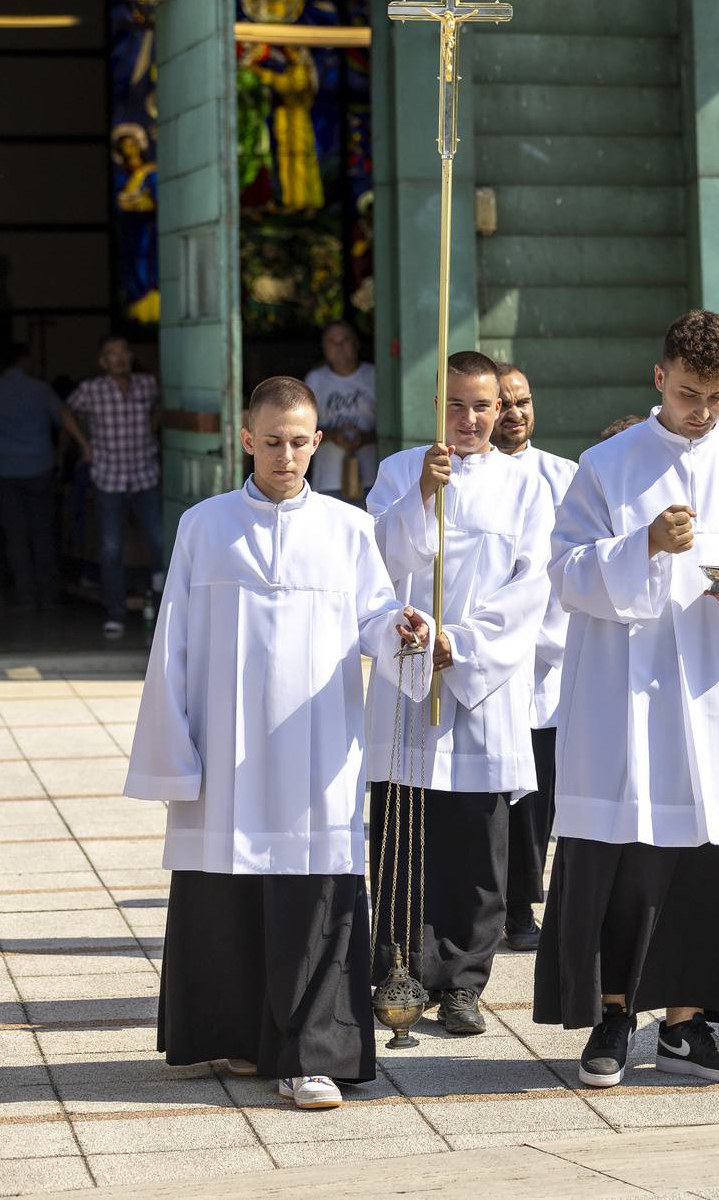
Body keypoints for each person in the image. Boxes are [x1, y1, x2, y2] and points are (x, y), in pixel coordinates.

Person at [124, 376, 432, 1111]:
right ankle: (234, 1034)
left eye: (299, 442)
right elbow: (173, 644)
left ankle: (310, 1055)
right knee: (224, 896)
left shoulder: (348, 528)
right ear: (246, 440)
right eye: (271, 442)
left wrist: (403, 630)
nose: (285, 456)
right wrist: (174, 753)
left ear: (318, 442)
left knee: (314, 890)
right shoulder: (204, 524)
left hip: (315, 746)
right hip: (226, 750)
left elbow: (375, 615)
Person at [535, 310, 719, 1090]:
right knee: (627, 861)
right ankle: (614, 1016)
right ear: (660, 378)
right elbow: (566, 571)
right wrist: (644, 546)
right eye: (690, 394)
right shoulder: (608, 464)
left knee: (708, 864)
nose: (703, 412)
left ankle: (687, 1026)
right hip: (628, 702)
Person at [363, 351, 553, 1037]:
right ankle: (398, 967)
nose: (468, 419)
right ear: (433, 406)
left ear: (501, 410)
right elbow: (379, 563)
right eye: (454, 405)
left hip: (481, 683)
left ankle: (465, 982)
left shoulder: (526, 485)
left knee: (477, 847)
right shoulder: (397, 471)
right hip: (410, 678)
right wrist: (420, 495)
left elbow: (534, 586)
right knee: (402, 835)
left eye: (481, 406)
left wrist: (463, 644)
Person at [491, 365, 578, 953]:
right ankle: (491, 903)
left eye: (524, 401)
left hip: (548, 660)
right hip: (488, 656)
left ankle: (524, 904)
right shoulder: (464, 477)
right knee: (491, 792)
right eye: (503, 404)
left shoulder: (563, 475)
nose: (515, 413)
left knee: (537, 795)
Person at [65, 336, 163, 636]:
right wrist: (85, 445)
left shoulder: (146, 385)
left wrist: (152, 429)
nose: (119, 358)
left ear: (130, 357)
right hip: (109, 475)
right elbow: (65, 412)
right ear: (102, 362)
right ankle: (115, 612)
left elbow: (162, 406)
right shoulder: (91, 390)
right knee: (111, 547)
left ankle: (161, 597)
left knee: (160, 539)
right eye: (112, 354)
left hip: (145, 472)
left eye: (123, 353)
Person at [0, 344, 67, 611]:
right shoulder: (41, 390)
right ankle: (49, 596)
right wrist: (58, 457)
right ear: (24, 360)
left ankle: (25, 597)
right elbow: (65, 421)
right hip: (39, 466)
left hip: (2, 468)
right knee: (43, 533)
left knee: (15, 535)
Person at [303, 321, 377, 504]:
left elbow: (392, 423)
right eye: (332, 342)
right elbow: (302, 427)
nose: (340, 347)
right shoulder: (316, 379)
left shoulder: (373, 375)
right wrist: (332, 435)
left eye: (345, 340)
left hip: (371, 477)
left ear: (356, 343)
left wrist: (365, 438)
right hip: (328, 478)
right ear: (324, 347)